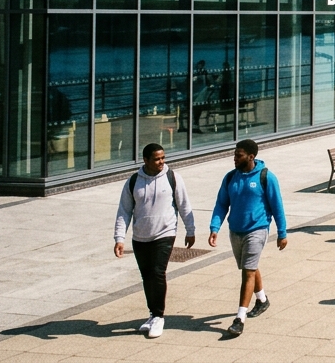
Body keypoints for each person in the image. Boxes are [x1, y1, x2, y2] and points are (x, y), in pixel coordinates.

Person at [114, 143, 196, 339]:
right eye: (157, 159)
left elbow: (184, 204)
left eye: (163, 158)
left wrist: (190, 230)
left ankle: (159, 316)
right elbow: (124, 211)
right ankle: (152, 314)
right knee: (147, 276)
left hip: (165, 233)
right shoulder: (134, 181)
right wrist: (119, 238)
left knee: (158, 273)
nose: (161, 162)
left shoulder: (172, 178)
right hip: (140, 236)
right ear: (146, 160)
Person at [208, 139, 287, 338]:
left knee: (248, 271)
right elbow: (221, 204)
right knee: (248, 266)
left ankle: (239, 319)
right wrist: (214, 227)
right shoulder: (230, 178)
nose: (235, 158)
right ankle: (262, 299)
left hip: (257, 229)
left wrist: (282, 233)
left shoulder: (266, 177)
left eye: (239, 155)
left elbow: (277, 207)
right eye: (234, 154)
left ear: (251, 157)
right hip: (235, 231)